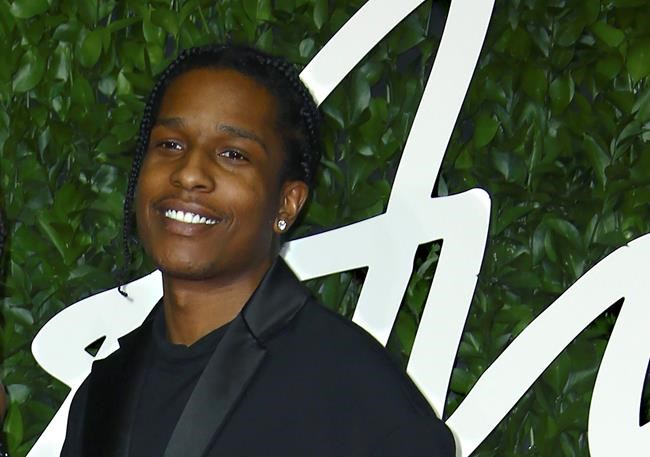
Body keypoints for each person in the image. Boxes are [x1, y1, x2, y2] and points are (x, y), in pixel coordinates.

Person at [61, 44, 455, 457]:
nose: (189, 174)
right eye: (170, 145)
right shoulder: (104, 394)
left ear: (287, 204)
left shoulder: (354, 391)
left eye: (232, 154)